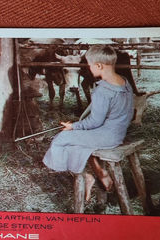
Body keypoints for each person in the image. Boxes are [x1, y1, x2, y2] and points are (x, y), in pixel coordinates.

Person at [43, 45, 134, 202]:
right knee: (78, 142)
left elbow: (94, 121)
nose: (88, 70)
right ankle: (98, 172)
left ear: (99, 66)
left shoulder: (102, 90)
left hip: (105, 137)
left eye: (90, 66)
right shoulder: (125, 83)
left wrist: (73, 126)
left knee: (60, 139)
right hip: (119, 133)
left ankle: (86, 176)